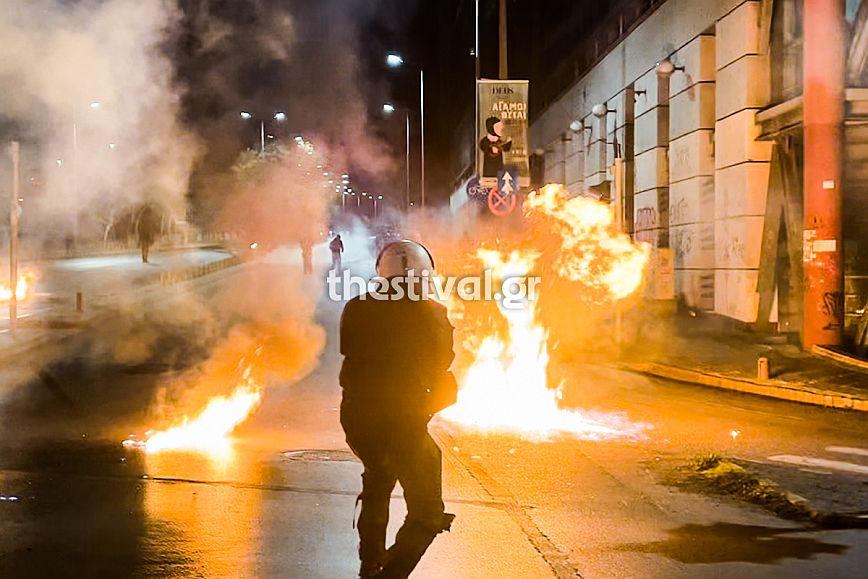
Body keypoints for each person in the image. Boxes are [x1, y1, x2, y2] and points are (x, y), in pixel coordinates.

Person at [340, 240, 458, 579]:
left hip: (359, 419)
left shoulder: (357, 306)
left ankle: (370, 562)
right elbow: (442, 362)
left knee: (377, 480)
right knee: (427, 512)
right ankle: (388, 574)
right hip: (405, 422)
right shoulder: (433, 311)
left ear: (382, 271)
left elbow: (350, 348)